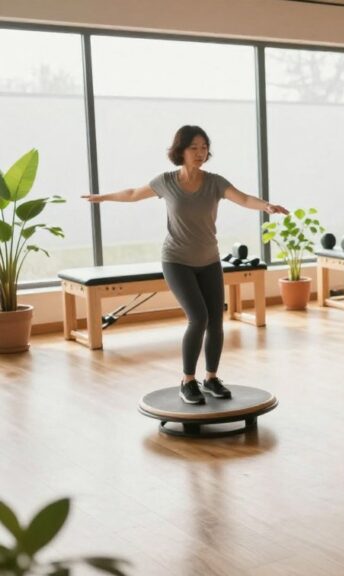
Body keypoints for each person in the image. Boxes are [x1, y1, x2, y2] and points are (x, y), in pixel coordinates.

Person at [82, 125, 288, 405]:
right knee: (198, 317)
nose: (200, 153)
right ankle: (187, 380)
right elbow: (132, 193)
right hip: (177, 261)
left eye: (204, 147)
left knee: (216, 321)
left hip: (209, 261)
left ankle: (211, 378)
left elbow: (243, 198)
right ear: (181, 150)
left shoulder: (215, 182)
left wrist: (266, 206)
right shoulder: (166, 182)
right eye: (194, 147)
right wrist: (103, 197)